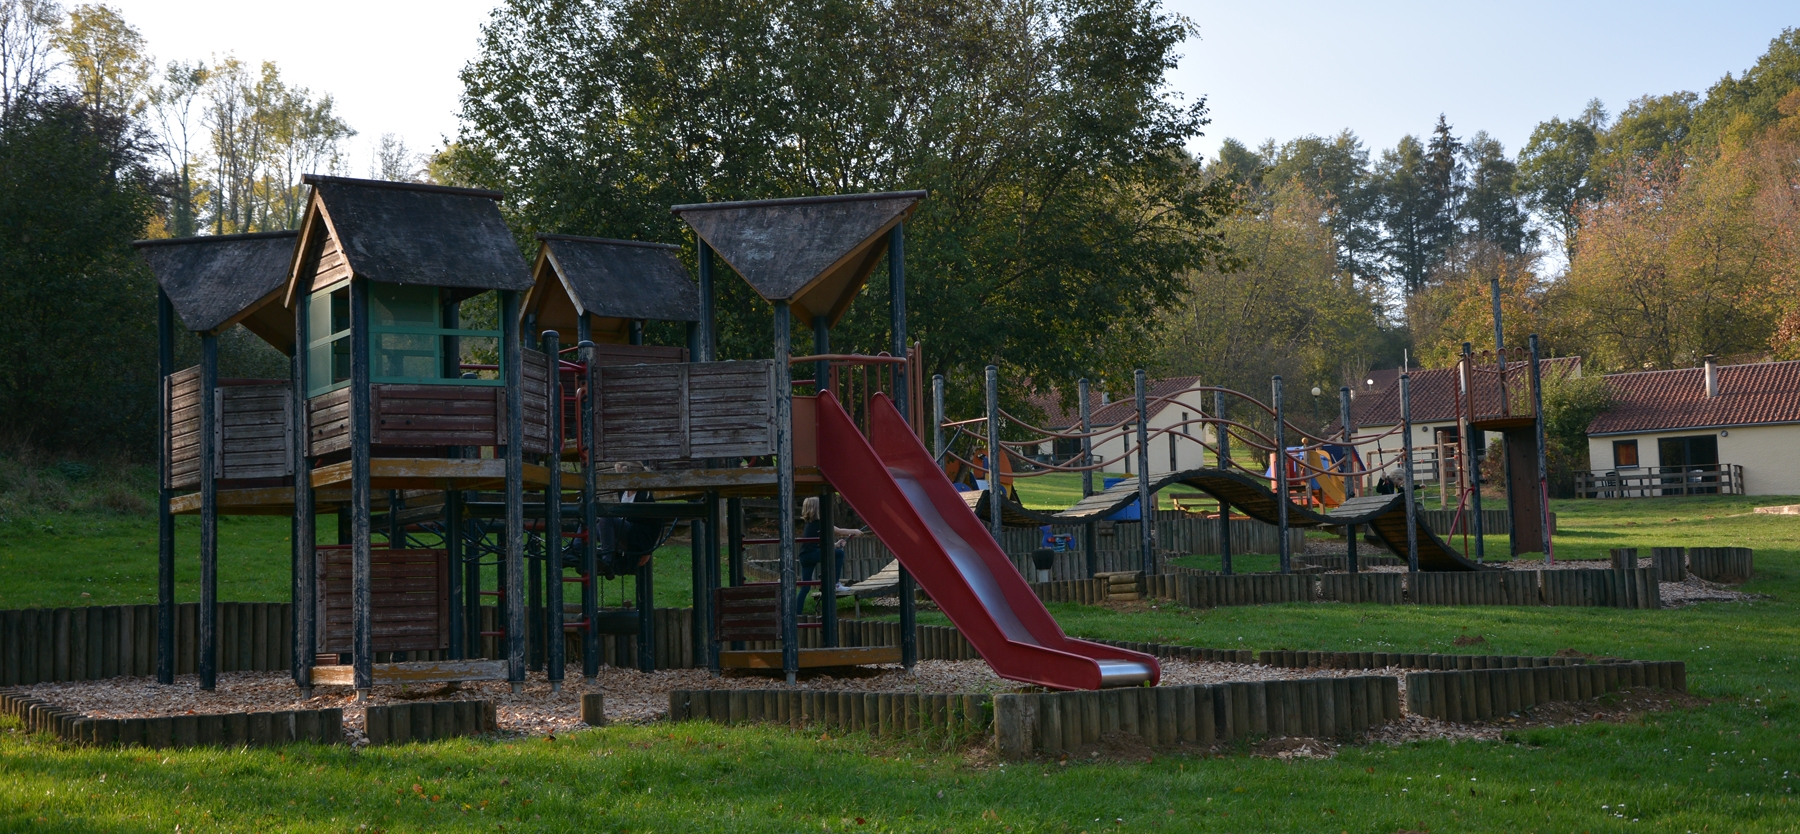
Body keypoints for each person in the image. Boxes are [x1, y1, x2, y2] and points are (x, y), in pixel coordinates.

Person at [797, 496, 864, 613]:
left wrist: (835, 544)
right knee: (839, 554)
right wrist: (855, 531)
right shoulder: (820, 522)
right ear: (817, 508)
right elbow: (840, 531)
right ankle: (835, 583)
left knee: (805, 587)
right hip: (812, 554)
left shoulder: (810, 524)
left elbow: (818, 543)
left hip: (805, 556)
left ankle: (796, 613)